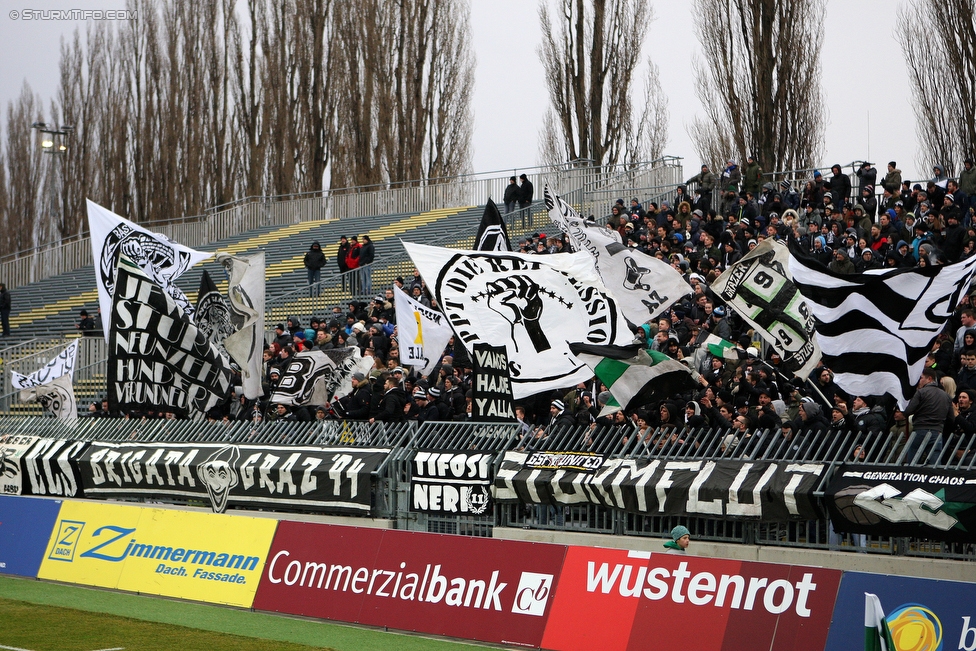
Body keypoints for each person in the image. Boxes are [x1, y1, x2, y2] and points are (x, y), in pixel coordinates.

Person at [904, 367, 954, 464]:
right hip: (937, 432)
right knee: (935, 464)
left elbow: (908, 411)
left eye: (921, 378)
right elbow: (951, 419)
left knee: (912, 463)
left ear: (929, 378)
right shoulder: (946, 396)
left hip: (920, 430)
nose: (918, 381)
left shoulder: (921, 392)